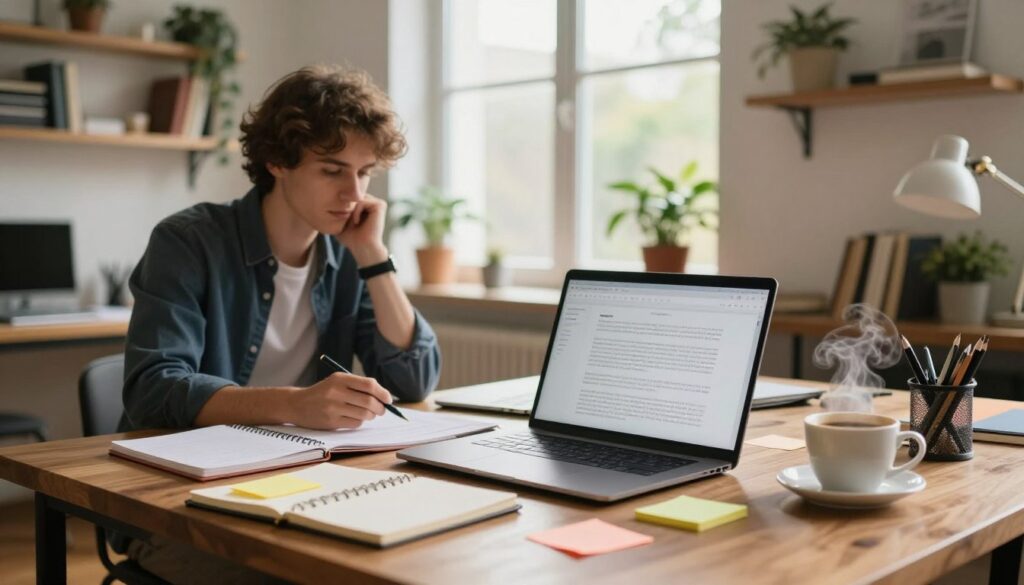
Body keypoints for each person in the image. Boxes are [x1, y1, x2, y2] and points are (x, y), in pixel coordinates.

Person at [117, 64, 441, 584]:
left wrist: (374, 256)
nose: (353, 193)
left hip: (295, 486)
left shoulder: (346, 257)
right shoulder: (188, 242)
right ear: (277, 162)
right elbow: (154, 389)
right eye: (332, 170)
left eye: (365, 172)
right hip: (172, 505)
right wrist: (297, 404)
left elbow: (413, 378)